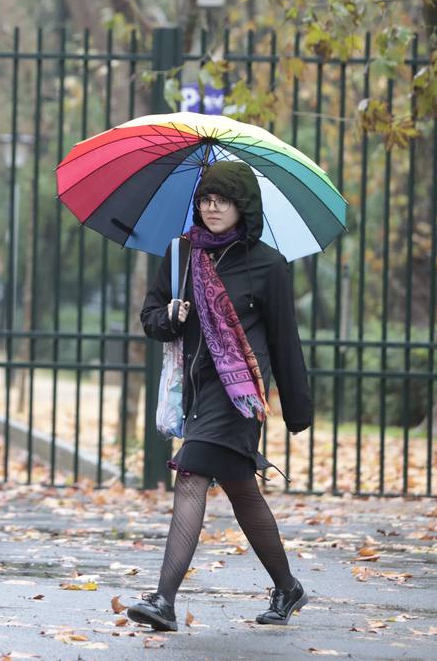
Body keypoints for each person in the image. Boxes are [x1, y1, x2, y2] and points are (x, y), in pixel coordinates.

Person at [128, 160, 314, 632]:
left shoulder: (268, 264)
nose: (212, 207)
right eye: (207, 199)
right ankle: (287, 586)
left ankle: (163, 601)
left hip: (239, 399)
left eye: (223, 200)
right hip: (197, 392)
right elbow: (150, 317)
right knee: (242, 492)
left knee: (190, 473)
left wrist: (297, 407)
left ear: (242, 206)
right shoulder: (181, 254)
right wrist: (170, 315)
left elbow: (284, 339)